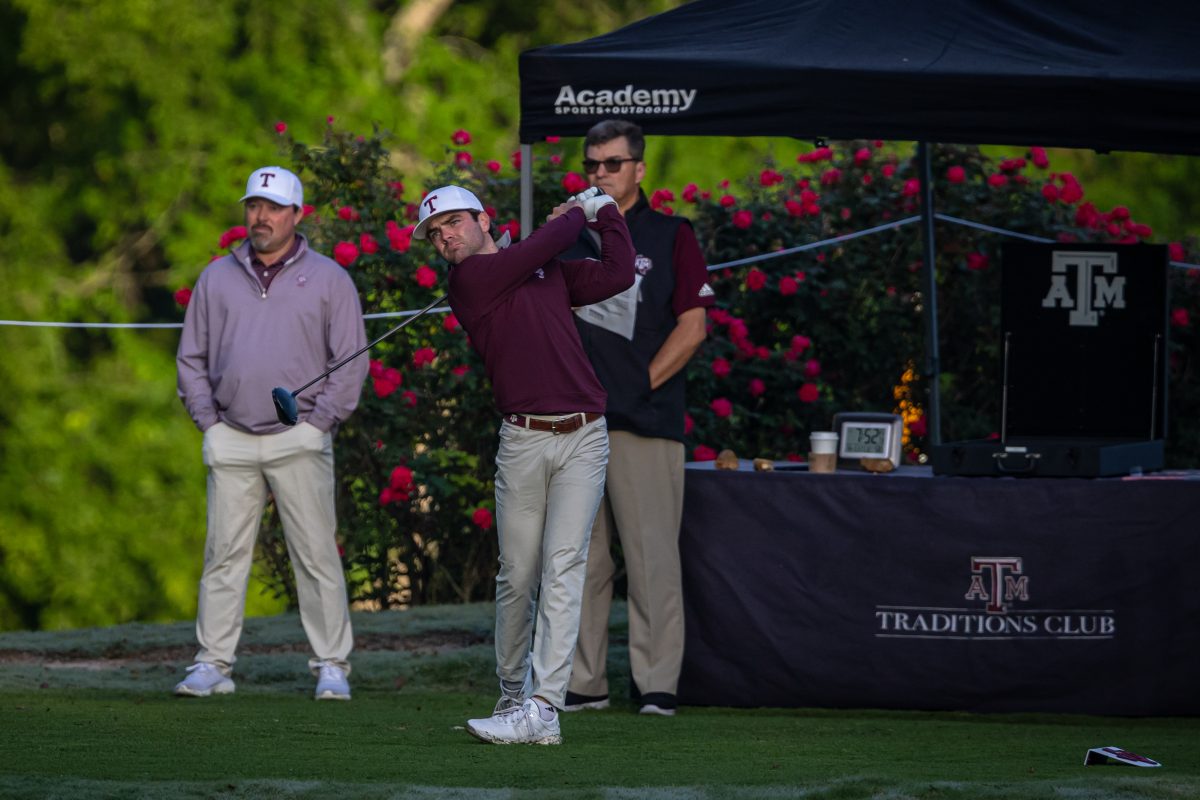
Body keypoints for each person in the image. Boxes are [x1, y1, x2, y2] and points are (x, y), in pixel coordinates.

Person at [414, 183, 634, 744]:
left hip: (584, 435)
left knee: (564, 567)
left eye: (453, 224)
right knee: (517, 576)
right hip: (523, 439)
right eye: (435, 234)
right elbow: (551, 239)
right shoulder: (469, 281)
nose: (445, 237)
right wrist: (578, 207)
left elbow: (618, 273)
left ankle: (543, 708)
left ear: (483, 220)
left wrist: (606, 212)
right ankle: (513, 690)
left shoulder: (546, 271)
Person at [175, 166, 368, 701]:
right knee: (223, 556)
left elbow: (350, 361)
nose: (260, 216)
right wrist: (208, 423)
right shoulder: (217, 277)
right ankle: (212, 664)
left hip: (300, 435)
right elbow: (191, 359)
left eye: (272, 207)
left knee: (315, 556)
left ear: (296, 215)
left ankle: (332, 664)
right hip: (231, 434)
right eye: (254, 206)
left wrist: (320, 422)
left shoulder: (329, 278)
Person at [563, 120, 715, 717]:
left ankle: (657, 683)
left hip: (643, 423)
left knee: (652, 558)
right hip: (570, 424)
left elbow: (693, 326)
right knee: (579, 559)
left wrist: (632, 387)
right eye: (592, 165)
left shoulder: (671, 234)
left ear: (639, 169)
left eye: (613, 164)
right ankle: (584, 681)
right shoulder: (568, 237)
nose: (600, 173)